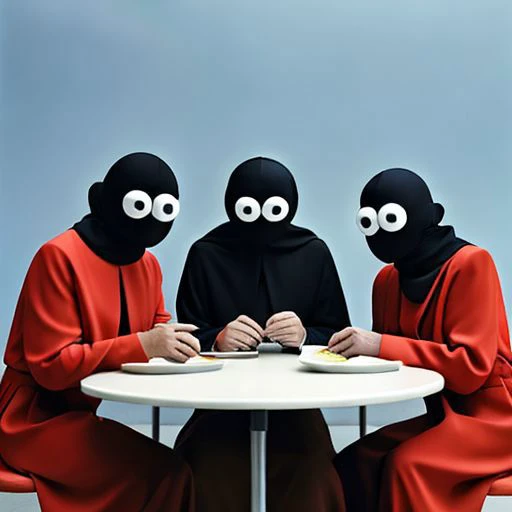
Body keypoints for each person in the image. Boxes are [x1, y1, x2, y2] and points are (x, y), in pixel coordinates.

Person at [0, 152, 199, 511]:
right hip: (29, 421)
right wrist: (146, 343)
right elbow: (52, 366)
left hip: (80, 416)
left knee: (179, 469)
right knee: (167, 475)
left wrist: (173, 342)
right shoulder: (58, 256)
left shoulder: (148, 264)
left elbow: (155, 325)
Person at [175, 156, 350, 511]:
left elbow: (338, 335)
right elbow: (185, 334)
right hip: (217, 405)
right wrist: (217, 339)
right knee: (204, 471)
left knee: (313, 473)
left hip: (297, 404)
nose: (259, 222)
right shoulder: (206, 254)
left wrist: (304, 336)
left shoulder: (313, 252)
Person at [331, 168, 512, 511]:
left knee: (407, 466)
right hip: (445, 416)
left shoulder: (472, 264)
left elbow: (470, 368)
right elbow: (394, 363)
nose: (381, 233)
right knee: (357, 462)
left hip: (498, 421)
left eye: (391, 218)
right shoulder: (386, 280)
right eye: (369, 222)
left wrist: (378, 345)